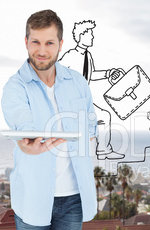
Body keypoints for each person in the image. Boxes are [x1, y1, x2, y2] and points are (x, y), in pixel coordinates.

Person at [1, 10, 97, 230]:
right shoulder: (15, 86)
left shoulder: (77, 82)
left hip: (73, 200)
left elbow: (90, 125)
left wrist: (88, 140)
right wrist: (29, 142)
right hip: (32, 198)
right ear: (26, 42)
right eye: (35, 42)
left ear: (61, 44)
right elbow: (23, 122)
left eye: (49, 43)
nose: (42, 51)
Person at [59, 20, 124, 160]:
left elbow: (92, 74)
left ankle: (103, 150)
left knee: (104, 116)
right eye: (90, 33)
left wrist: (108, 73)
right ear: (81, 35)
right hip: (70, 102)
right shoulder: (70, 56)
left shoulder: (88, 56)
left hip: (81, 101)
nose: (92, 37)